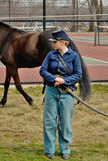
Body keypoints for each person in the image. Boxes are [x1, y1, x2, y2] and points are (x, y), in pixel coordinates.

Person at [39, 30, 82, 160]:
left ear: (63, 42)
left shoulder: (74, 56)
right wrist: (54, 79)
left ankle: (65, 150)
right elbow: (42, 70)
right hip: (51, 90)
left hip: (67, 91)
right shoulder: (50, 55)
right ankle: (49, 149)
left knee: (65, 121)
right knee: (49, 121)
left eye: (55, 42)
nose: (53, 44)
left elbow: (78, 74)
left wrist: (64, 80)